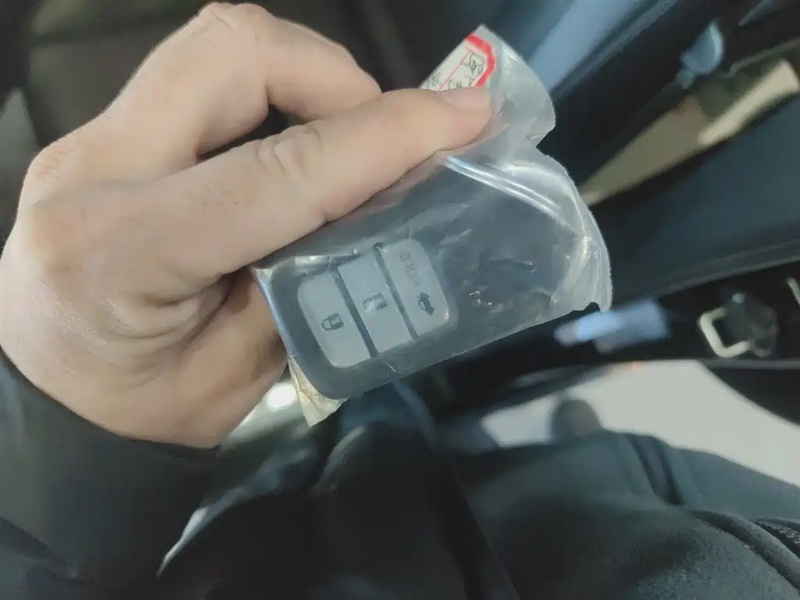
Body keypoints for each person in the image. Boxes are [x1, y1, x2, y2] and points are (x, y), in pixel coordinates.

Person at [1, 5, 799, 599]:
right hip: (578, 519)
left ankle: (444, 435)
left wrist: (56, 453)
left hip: (315, 519)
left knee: (386, 426)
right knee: (406, 428)